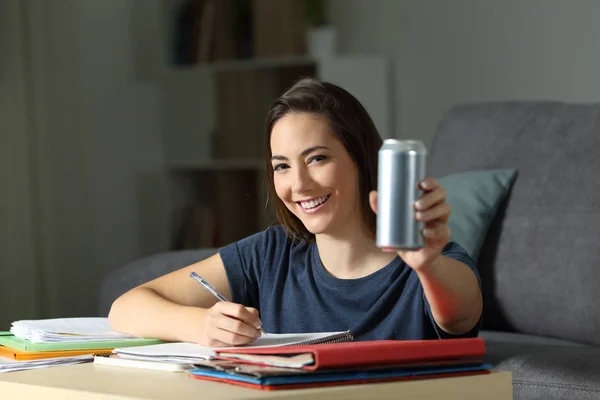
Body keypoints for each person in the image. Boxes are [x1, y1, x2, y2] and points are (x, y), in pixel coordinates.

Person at [108, 78, 483, 347]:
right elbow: (126, 308)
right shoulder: (271, 254)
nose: (299, 185)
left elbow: (459, 316)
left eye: (317, 158)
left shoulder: (437, 264)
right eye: (282, 166)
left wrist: (427, 265)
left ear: (361, 160)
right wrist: (200, 324)